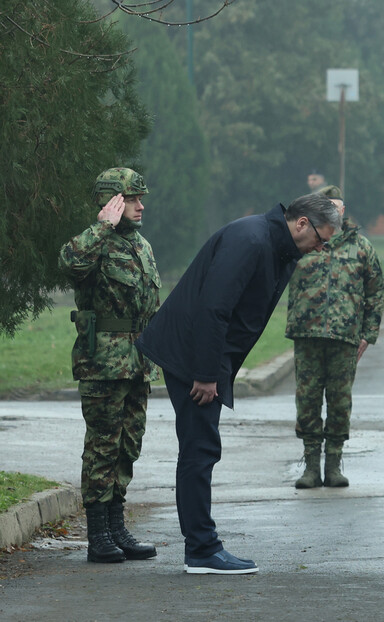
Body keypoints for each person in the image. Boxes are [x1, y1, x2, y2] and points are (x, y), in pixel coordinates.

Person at [135, 194, 340, 575]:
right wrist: (207, 373)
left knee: (200, 447)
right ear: (301, 224)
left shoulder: (274, 245)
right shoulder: (252, 240)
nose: (321, 248)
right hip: (192, 356)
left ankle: (202, 546)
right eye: (321, 239)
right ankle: (201, 550)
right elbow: (214, 308)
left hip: (202, 356)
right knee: (200, 449)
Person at [58, 167, 162, 564]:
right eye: (131, 199)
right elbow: (69, 264)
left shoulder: (141, 246)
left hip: (137, 361)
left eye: (139, 198)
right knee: (102, 447)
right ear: (112, 202)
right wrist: (101, 226)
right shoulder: (94, 243)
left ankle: (117, 526)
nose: (140, 205)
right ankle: (97, 534)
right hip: (103, 362)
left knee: (128, 445)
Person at [285, 185, 384, 489]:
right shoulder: (300, 243)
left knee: (340, 402)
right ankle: (310, 465)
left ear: (343, 211)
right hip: (307, 335)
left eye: (337, 206)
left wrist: (368, 333)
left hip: (345, 337)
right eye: (327, 205)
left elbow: (376, 289)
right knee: (307, 400)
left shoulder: (361, 247)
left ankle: (333, 463)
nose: (334, 210)